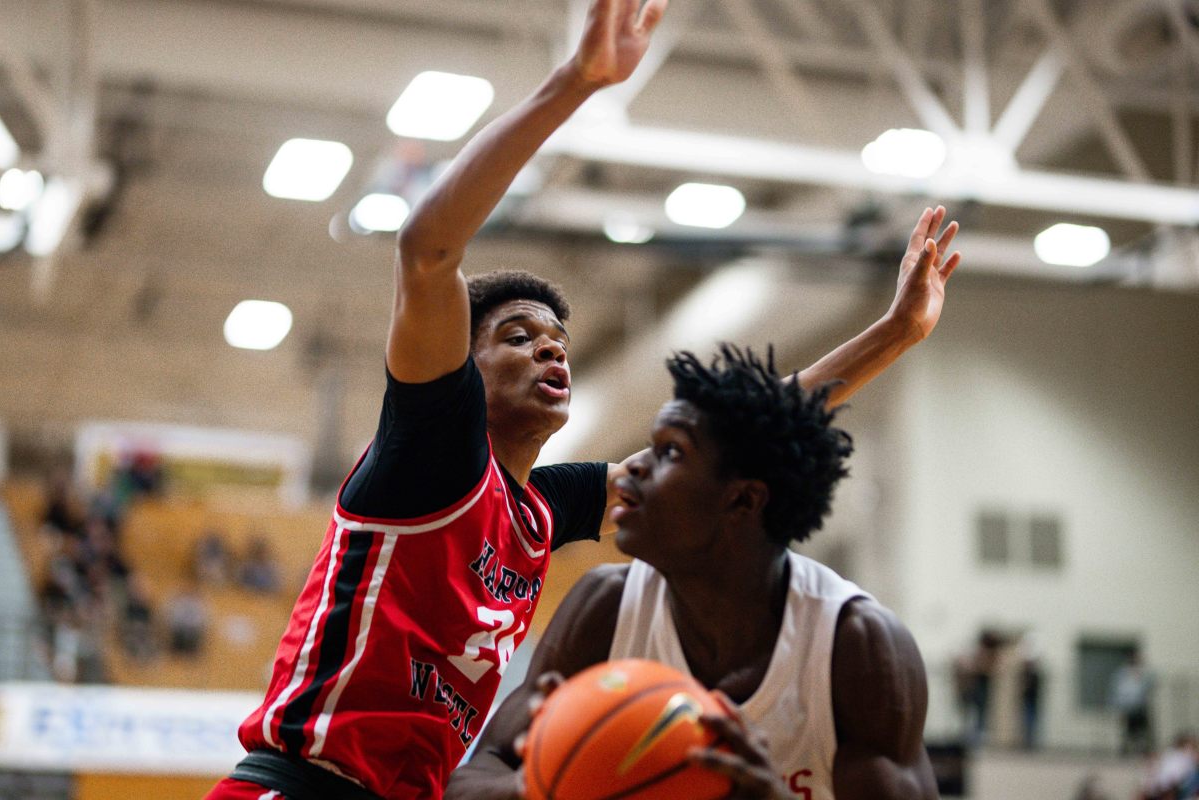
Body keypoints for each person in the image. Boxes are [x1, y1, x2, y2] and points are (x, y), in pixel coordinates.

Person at [205, 0, 960, 795]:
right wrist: (574, 84)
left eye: (558, 338)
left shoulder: (541, 508)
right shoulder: (429, 452)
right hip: (301, 785)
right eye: (520, 336)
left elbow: (737, 434)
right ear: (459, 365)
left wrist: (894, 333)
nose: (551, 346)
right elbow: (426, 251)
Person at [446, 346, 941, 800]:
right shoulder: (607, 606)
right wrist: (536, 784)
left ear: (742, 499)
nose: (635, 468)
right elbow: (471, 779)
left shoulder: (854, 646)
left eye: (671, 453)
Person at [1113, 650, 1156, 756]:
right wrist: (1120, 705)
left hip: (1140, 705)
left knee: (1143, 729)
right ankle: (1126, 749)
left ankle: (1144, 748)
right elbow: (1119, 690)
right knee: (1129, 729)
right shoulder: (1123, 673)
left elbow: (1150, 683)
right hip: (1128, 706)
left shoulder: (1143, 673)